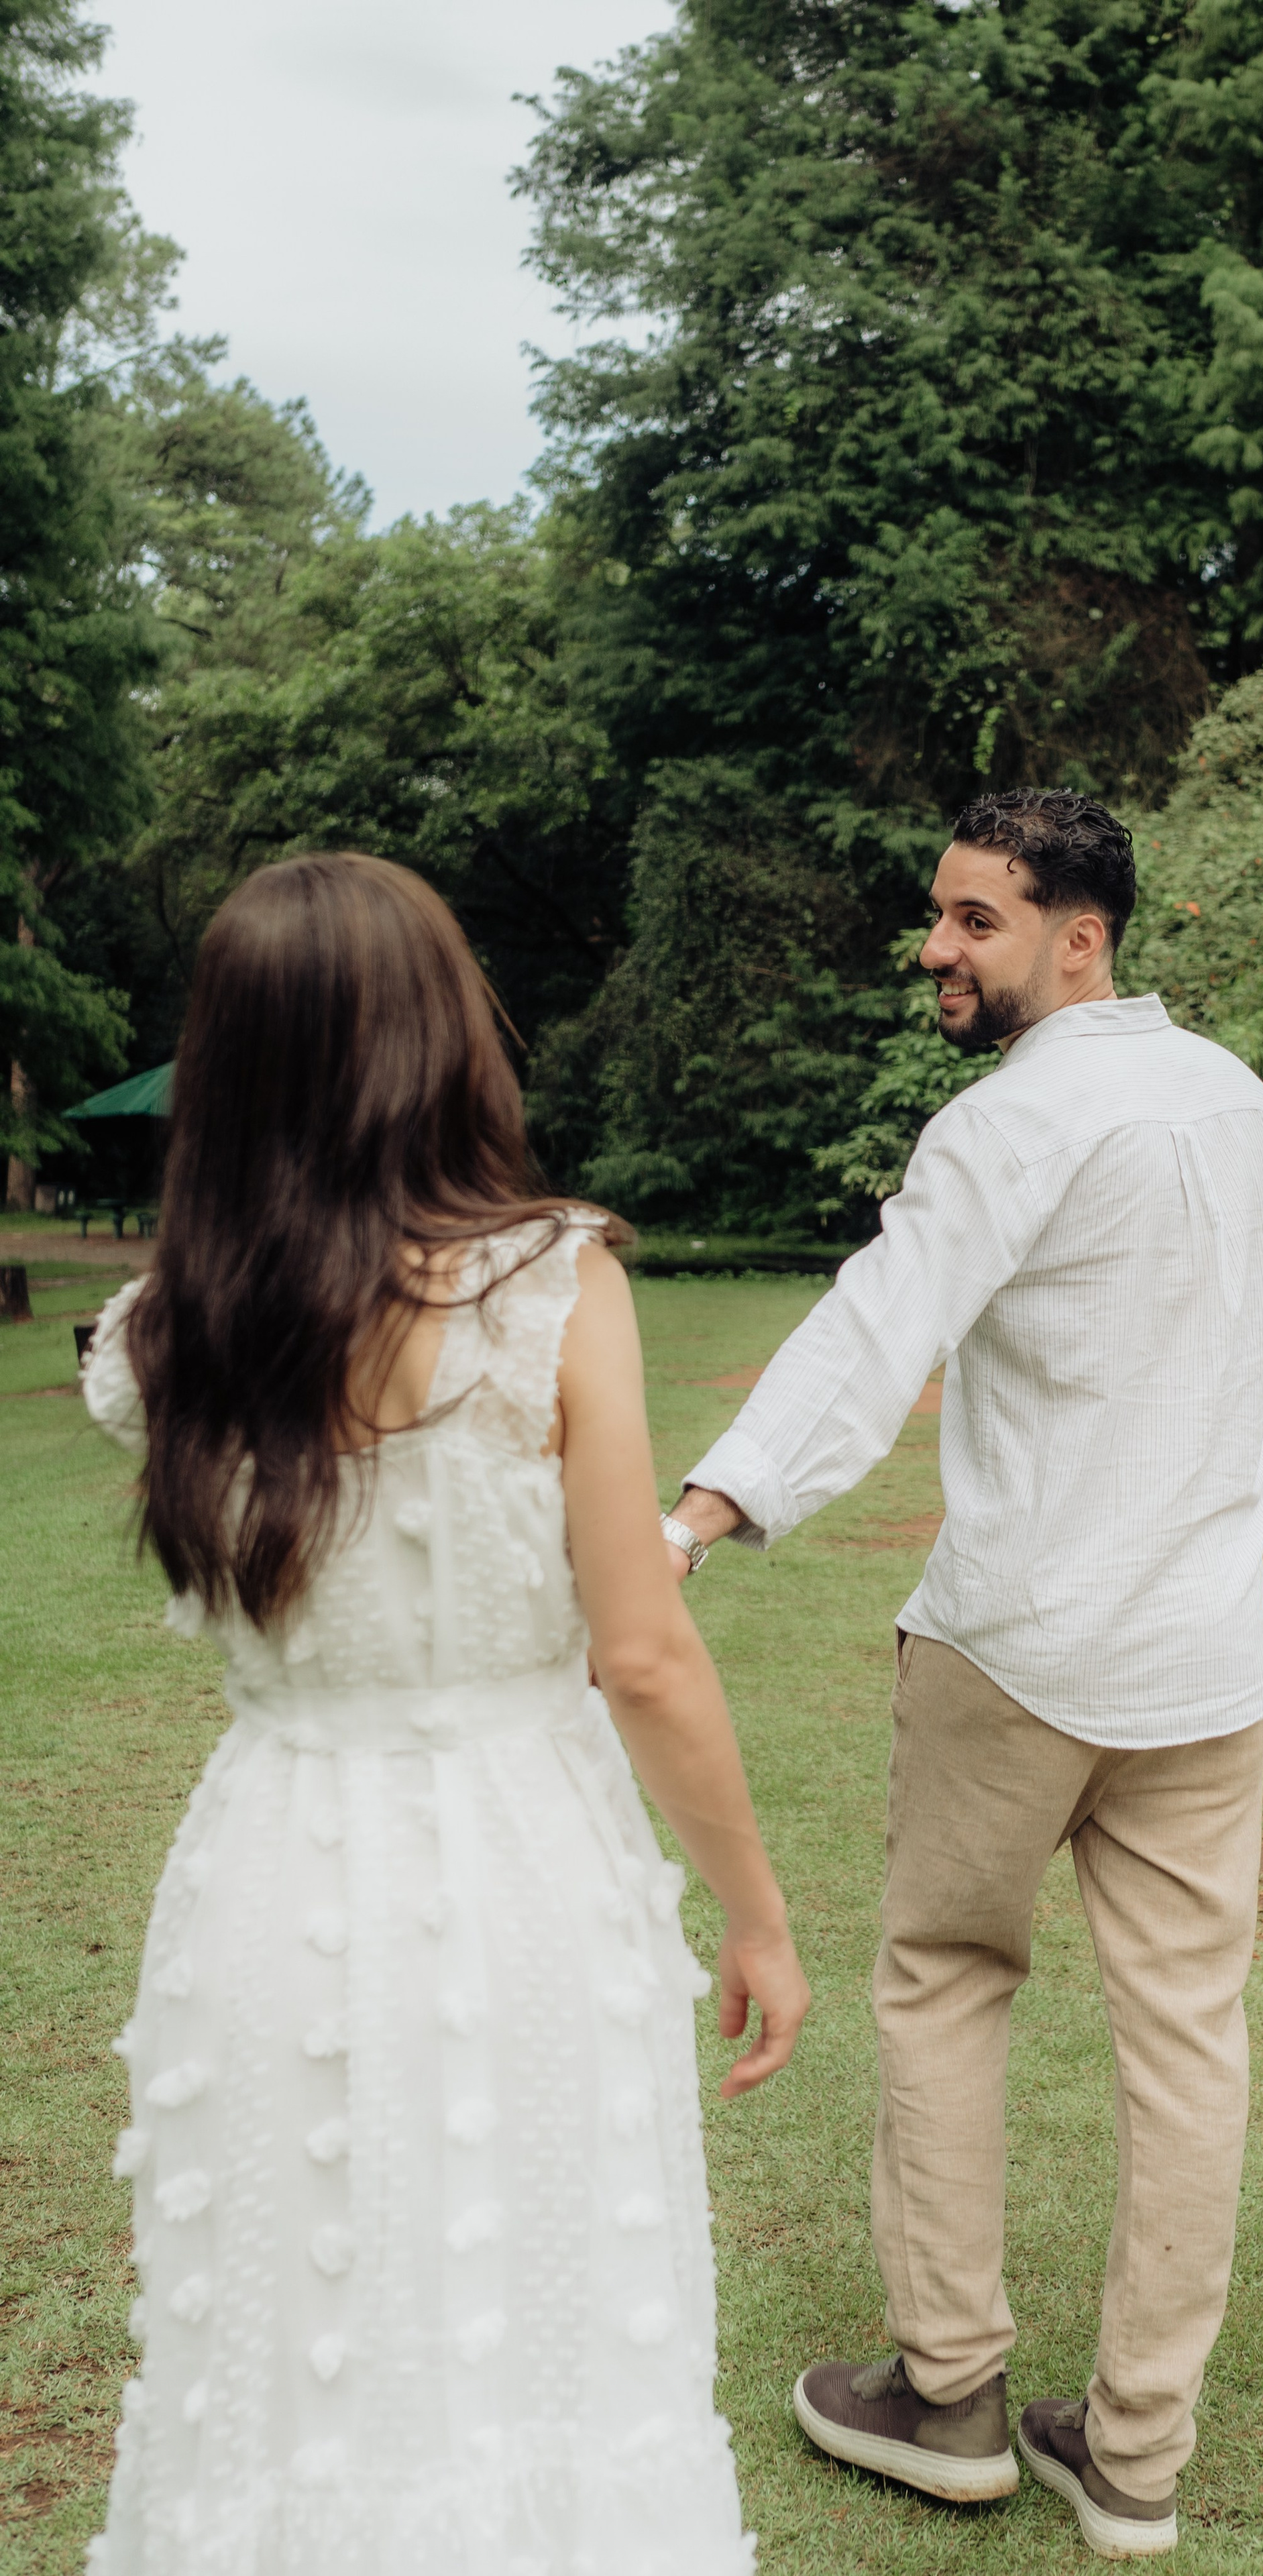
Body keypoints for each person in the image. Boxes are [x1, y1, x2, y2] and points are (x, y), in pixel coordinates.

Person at [81, 851, 808, 2576]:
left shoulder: (162, 1336)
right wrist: (759, 1914)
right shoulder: (549, 1287)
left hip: (272, 1868)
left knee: (282, 2350)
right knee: (548, 2323)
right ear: (438, 1037)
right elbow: (640, 1649)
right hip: (515, 1858)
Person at [661, 790, 1263, 2559]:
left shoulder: (1010, 1127)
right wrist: (1212, 1558)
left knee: (948, 1980)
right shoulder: (1247, 1110)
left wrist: (705, 1509)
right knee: (1194, 2045)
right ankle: (1135, 2460)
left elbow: (879, 1325)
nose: (937, 950)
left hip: (1020, 1649)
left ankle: (948, 2397)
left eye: (973, 922)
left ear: (1077, 937)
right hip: (1205, 1661)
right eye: (938, 919)